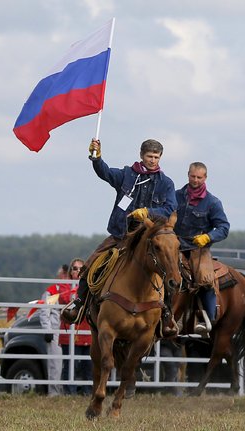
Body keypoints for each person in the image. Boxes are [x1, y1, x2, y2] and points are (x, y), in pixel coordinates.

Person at [61, 138, 178, 339]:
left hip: (150, 241)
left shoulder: (166, 183)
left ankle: (167, 313)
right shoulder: (127, 175)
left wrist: (148, 212)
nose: (152, 160)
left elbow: (169, 209)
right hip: (120, 235)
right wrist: (96, 157)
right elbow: (104, 173)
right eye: (149, 156)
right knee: (91, 264)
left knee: (172, 271)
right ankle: (79, 303)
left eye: (156, 157)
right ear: (141, 155)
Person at [174, 162, 230, 335]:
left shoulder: (212, 202)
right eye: (193, 176)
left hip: (198, 249)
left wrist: (208, 237)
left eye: (199, 177)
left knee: (205, 279)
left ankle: (207, 317)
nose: (195, 180)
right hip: (174, 245)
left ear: (205, 178)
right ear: (188, 175)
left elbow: (223, 227)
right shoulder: (175, 196)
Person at [59, 258, 92, 396]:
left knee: (88, 365)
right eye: (75, 268)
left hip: (87, 331)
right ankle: (69, 391)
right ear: (70, 271)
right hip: (70, 333)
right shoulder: (64, 286)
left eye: (81, 269)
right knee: (71, 364)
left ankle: (87, 391)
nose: (78, 271)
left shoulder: (90, 286)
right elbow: (64, 299)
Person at [39, 264, 70, 396]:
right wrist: (48, 330)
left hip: (70, 330)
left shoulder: (74, 290)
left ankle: (69, 389)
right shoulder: (54, 292)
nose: (63, 277)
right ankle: (54, 392)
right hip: (56, 330)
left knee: (70, 362)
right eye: (63, 274)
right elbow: (45, 311)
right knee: (56, 363)